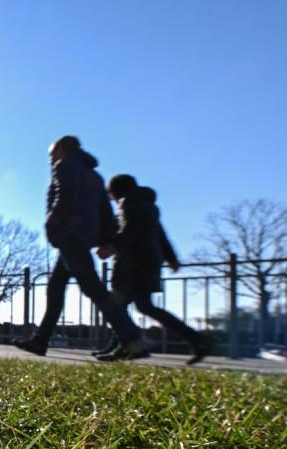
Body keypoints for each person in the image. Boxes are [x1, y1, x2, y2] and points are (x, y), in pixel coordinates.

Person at [12, 136, 147, 358]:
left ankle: (132, 338)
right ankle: (40, 340)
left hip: (70, 236)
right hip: (82, 237)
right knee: (55, 289)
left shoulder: (65, 164)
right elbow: (105, 212)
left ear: (62, 149)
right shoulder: (94, 175)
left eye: (51, 153)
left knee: (93, 288)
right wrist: (106, 241)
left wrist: (51, 225)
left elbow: (65, 197)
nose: (50, 158)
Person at [94, 175, 209, 364]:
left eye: (110, 195)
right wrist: (171, 258)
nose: (111, 199)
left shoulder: (128, 202)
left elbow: (132, 229)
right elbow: (161, 235)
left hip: (132, 263)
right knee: (141, 306)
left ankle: (130, 346)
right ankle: (196, 339)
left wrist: (111, 247)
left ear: (117, 191)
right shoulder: (148, 205)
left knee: (117, 305)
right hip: (149, 261)